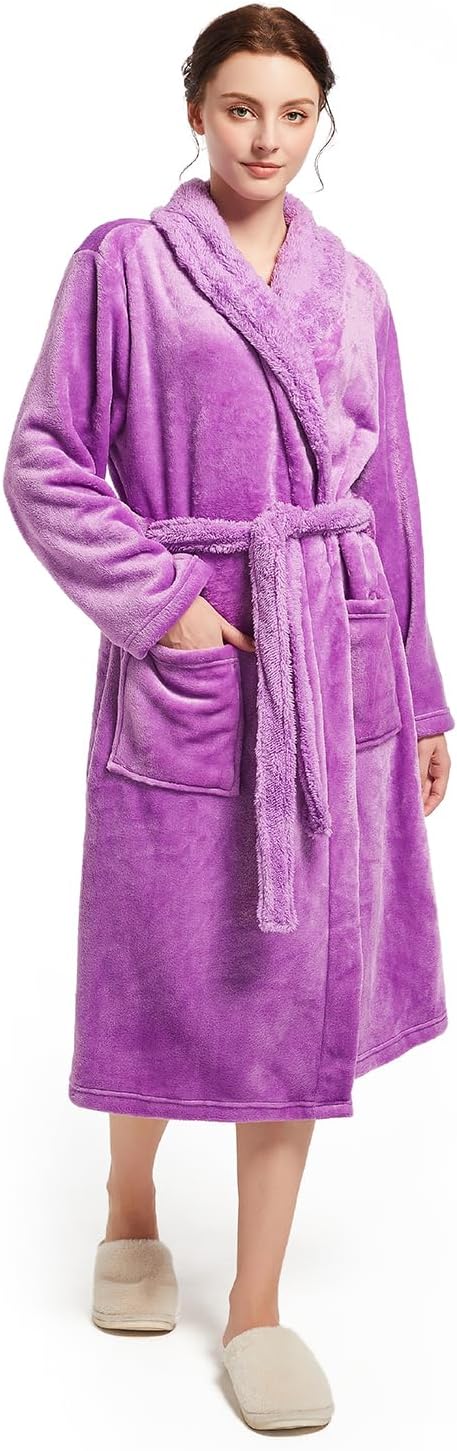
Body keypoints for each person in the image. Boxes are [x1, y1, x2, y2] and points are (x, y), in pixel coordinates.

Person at [3, 4, 454, 1434]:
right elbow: (45, 460)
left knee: (298, 984)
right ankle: (130, 1205)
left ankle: (254, 1305)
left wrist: (420, 696)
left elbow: (390, 505)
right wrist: (167, 609)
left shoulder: (355, 290)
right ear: (194, 109)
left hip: (336, 659)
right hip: (199, 657)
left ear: (321, 123)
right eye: (241, 108)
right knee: (159, 961)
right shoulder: (124, 265)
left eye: (294, 113)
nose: (267, 138)